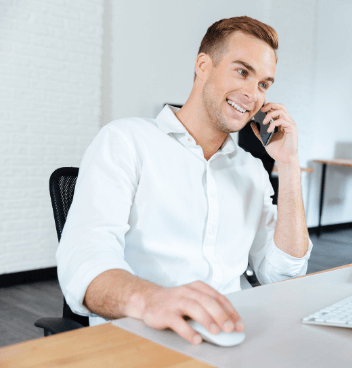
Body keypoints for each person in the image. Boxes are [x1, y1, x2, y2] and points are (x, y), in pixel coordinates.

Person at [56, 16, 312, 345]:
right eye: (242, 71)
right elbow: (83, 260)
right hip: (143, 334)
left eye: (264, 84)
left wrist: (289, 165)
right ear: (203, 66)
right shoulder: (125, 141)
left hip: (233, 333)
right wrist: (151, 300)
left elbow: (283, 274)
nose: (252, 94)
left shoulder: (251, 170)